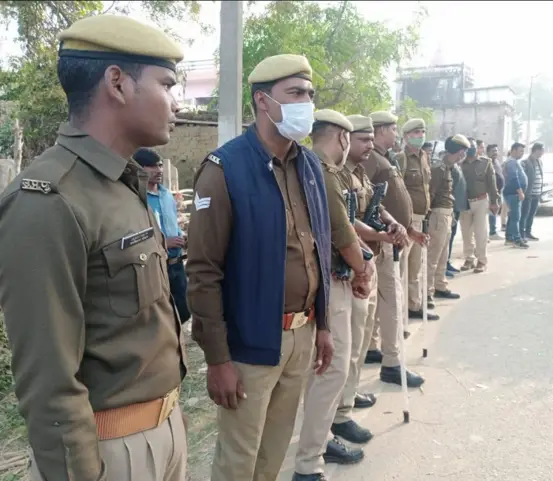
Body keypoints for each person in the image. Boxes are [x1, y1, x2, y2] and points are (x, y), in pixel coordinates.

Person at [0, 15, 188, 481]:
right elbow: (50, 382)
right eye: (167, 84)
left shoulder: (122, 183)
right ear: (117, 83)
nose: (177, 102)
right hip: (111, 452)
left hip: (164, 430)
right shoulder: (49, 199)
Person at [186, 54, 334, 481]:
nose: (307, 102)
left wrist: (323, 324)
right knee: (239, 460)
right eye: (296, 93)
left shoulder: (309, 166)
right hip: (250, 345)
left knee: (273, 453)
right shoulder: (225, 169)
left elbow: (320, 248)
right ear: (263, 101)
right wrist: (218, 359)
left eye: (309, 94)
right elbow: (203, 271)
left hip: (301, 334)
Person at [293, 109, 370, 480]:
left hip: (321, 278)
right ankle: (310, 462)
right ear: (342, 137)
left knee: (324, 369)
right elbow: (341, 233)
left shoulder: (315, 167)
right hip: (329, 281)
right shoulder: (321, 170)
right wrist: (362, 269)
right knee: (331, 369)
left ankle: (318, 444)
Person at [331, 114, 407, 445]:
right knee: (346, 346)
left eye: (371, 141)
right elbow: (347, 223)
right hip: (349, 267)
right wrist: (381, 235)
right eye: (363, 140)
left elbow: (375, 206)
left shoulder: (360, 173)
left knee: (360, 340)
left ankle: (349, 395)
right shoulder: (337, 175)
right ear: (346, 140)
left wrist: (392, 223)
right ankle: (339, 413)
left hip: (368, 261)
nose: (368, 146)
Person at [362, 111, 425, 387]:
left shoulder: (385, 158)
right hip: (383, 241)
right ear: (379, 130)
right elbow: (366, 205)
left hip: (394, 237)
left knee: (386, 302)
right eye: (393, 129)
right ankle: (392, 362)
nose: (396, 133)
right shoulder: (371, 160)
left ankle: (376, 349)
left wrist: (408, 228)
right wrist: (385, 231)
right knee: (391, 301)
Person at [134, 148, 191, 324]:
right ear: (139, 168)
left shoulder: (166, 195)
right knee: (161, 317)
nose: (158, 170)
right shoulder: (136, 198)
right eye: (152, 166)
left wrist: (182, 237)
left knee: (184, 311)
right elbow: (135, 237)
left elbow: (173, 223)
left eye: (159, 165)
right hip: (156, 266)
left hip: (176, 264)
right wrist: (165, 243)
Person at [396, 118, 438, 321]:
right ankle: (400, 314)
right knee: (402, 268)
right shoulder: (401, 158)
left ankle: (414, 305)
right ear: (406, 137)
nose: (420, 136)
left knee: (416, 266)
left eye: (422, 132)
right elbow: (397, 191)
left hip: (421, 218)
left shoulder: (424, 157)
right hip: (407, 220)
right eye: (415, 133)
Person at [425, 135, 468, 315]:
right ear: (457, 152)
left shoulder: (450, 168)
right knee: (433, 257)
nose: (463, 156)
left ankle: (440, 285)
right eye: (462, 152)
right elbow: (431, 194)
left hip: (447, 213)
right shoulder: (438, 169)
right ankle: (427, 293)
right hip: (438, 214)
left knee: (443, 255)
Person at [459, 139, 499, 273]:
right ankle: (469, 259)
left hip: (481, 201)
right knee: (466, 233)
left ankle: (482, 260)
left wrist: (494, 201)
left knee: (481, 233)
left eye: (473, 146)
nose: (471, 149)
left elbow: (492, 184)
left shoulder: (486, 163)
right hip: (465, 202)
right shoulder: (460, 163)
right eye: (468, 147)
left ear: (477, 148)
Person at [446, 144, 468, 277]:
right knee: (447, 238)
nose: (463, 155)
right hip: (450, 207)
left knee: (451, 236)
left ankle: (447, 262)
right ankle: (443, 265)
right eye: (462, 152)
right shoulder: (449, 167)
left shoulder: (456, 165)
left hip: (457, 207)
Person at [502, 142, 529, 249]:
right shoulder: (511, 163)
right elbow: (514, 178)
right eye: (520, 151)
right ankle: (517, 240)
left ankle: (509, 237)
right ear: (513, 150)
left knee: (512, 216)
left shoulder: (513, 162)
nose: (522, 153)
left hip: (513, 193)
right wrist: (520, 191)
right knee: (516, 217)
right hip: (513, 193)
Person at [520, 142, 545, 241]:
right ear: (537, 150)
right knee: (524, 215)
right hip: (528, 194)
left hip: (537, 193)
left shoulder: (539, 162)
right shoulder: (525, 162)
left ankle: (528, 232)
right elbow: (522, 178)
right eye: (542, 150)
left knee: (531, 215)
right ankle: (521, 234)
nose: (543, 152)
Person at [487, 144, 505, 240]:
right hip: (491, 193)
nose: (495, 153)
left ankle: (493, 231)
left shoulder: (496, 162)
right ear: (488, 152)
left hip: (498, 191)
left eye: (496, 151)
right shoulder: (487, 163)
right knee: (491, 212)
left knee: (495, 212)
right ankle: (492, 232)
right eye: (493, 151)